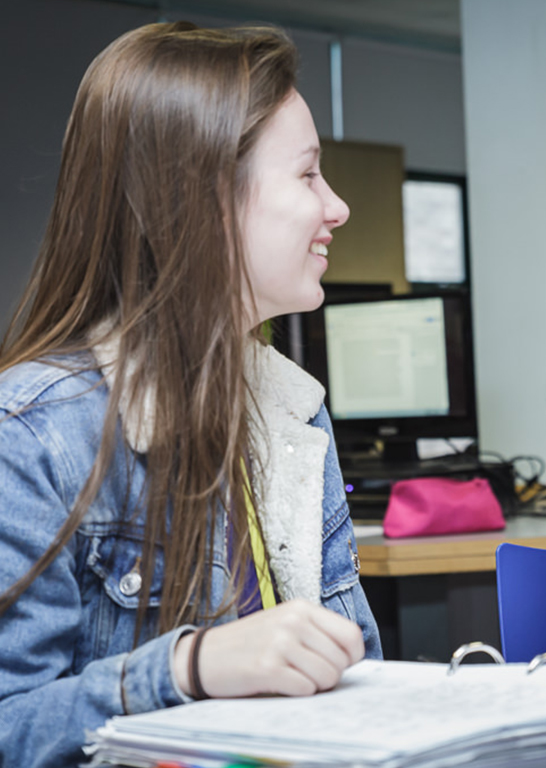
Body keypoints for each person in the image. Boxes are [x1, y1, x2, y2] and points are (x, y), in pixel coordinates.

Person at [0, 22, 381, 768]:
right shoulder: (36, 433)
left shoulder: (289, 410)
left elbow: (355, 670)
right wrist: (189, 667)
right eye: (307, 176)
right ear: (205, 200)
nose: (335, 208)